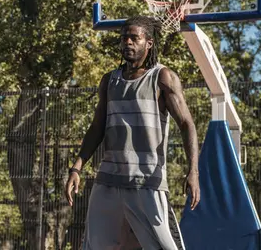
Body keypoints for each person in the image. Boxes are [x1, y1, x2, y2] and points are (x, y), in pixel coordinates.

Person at [65, 16, 200, 250]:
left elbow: (187, 124)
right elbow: (97, 128)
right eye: (124, 37)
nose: (127, 42)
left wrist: (193, 172)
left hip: (146, 182)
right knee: (93, 246)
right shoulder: (110, 81)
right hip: (108, 181)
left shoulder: (162, 78)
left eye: (134, 38)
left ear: (148, 43)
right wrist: (77, 167)